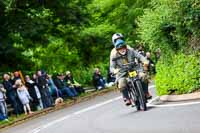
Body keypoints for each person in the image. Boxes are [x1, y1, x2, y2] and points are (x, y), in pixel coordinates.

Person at [110, 33, 152, 106]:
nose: (122, 49)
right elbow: (111, 67)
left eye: (123, 47)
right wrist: (114, 70)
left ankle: (146, 92)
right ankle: (127, 98)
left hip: (134, 68)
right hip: (122, 72)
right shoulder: (113, 54)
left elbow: (139, 56)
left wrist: (145, 61)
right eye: (120, 48)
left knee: (143, 76)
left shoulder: (130, 49)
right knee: (122, 83)